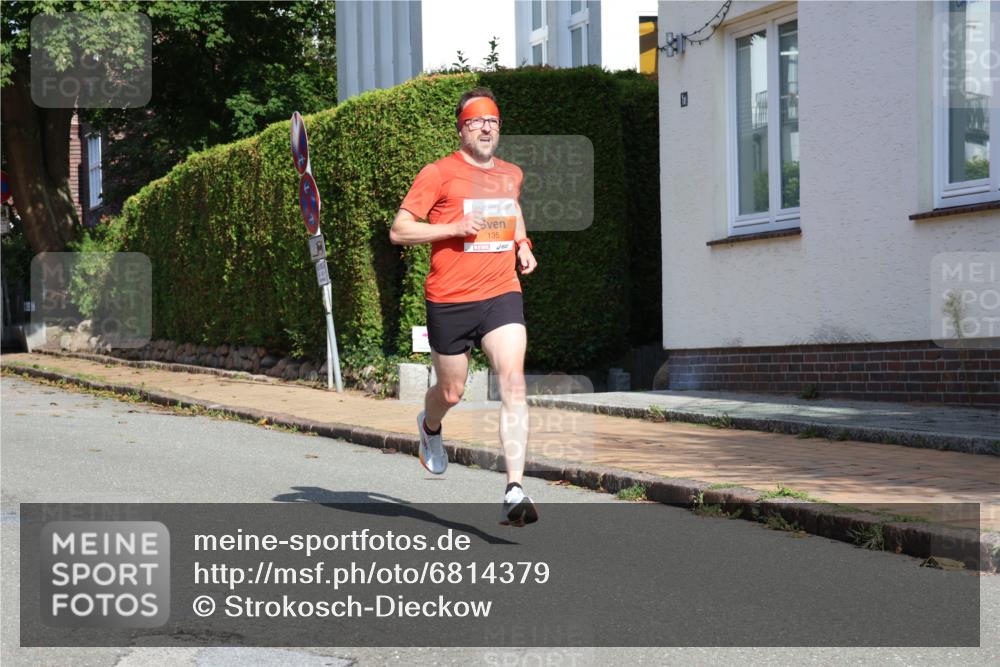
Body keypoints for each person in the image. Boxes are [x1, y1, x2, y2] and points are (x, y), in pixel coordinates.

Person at [389, 87, 539, 526]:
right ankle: (430, 426)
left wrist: (522, 243)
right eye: (477, 121)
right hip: (450, 300)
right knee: (451, 392)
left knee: (512, 379)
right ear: (462, 129)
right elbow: (400, 230)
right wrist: (453, 227)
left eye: (492, 120)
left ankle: (514, 488)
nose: (486, 127)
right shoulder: (438, 174)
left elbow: (511, 209)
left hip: (500, 292)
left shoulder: (511, 173)